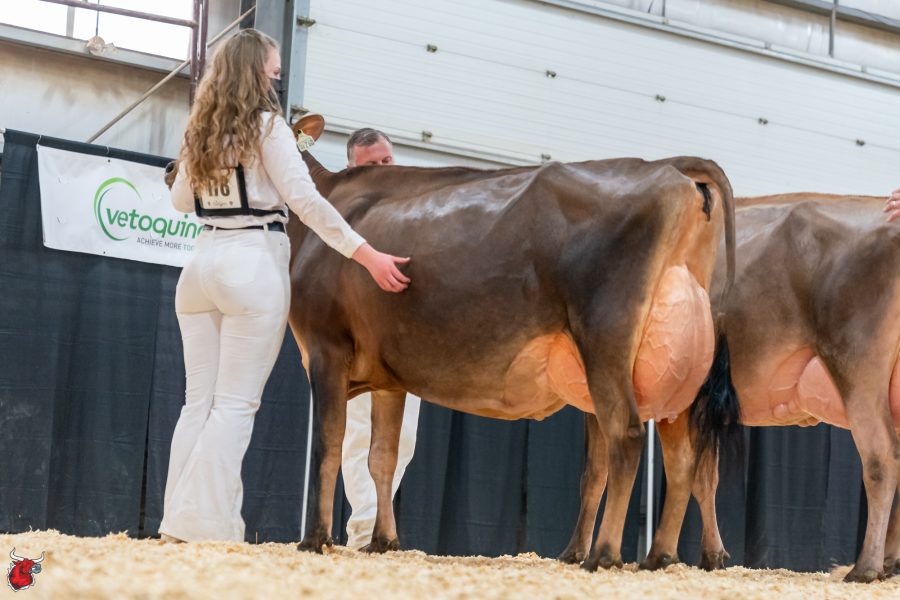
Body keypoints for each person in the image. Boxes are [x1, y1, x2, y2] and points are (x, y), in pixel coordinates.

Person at [158, 29, 410, 544]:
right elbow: (308, 202)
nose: (276, 82)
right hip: (252, 260)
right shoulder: (268, 127)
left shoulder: (198, 130)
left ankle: (185, 522)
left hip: (200, 263)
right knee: (234, 405)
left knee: (196, 404)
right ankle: (198, 526)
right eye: (273, 73)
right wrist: (367, 254)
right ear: (256, 73)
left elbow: (181, 202)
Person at [340, 128, 421, 550]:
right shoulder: (340, 211)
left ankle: (378, 522)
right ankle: (365, 530)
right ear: (351, 167)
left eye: (387, 160)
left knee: (402, 438)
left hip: (405, 338)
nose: (383, 169)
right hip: (357, 336)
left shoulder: (413, 204)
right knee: (360, 433)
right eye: (371, 164)